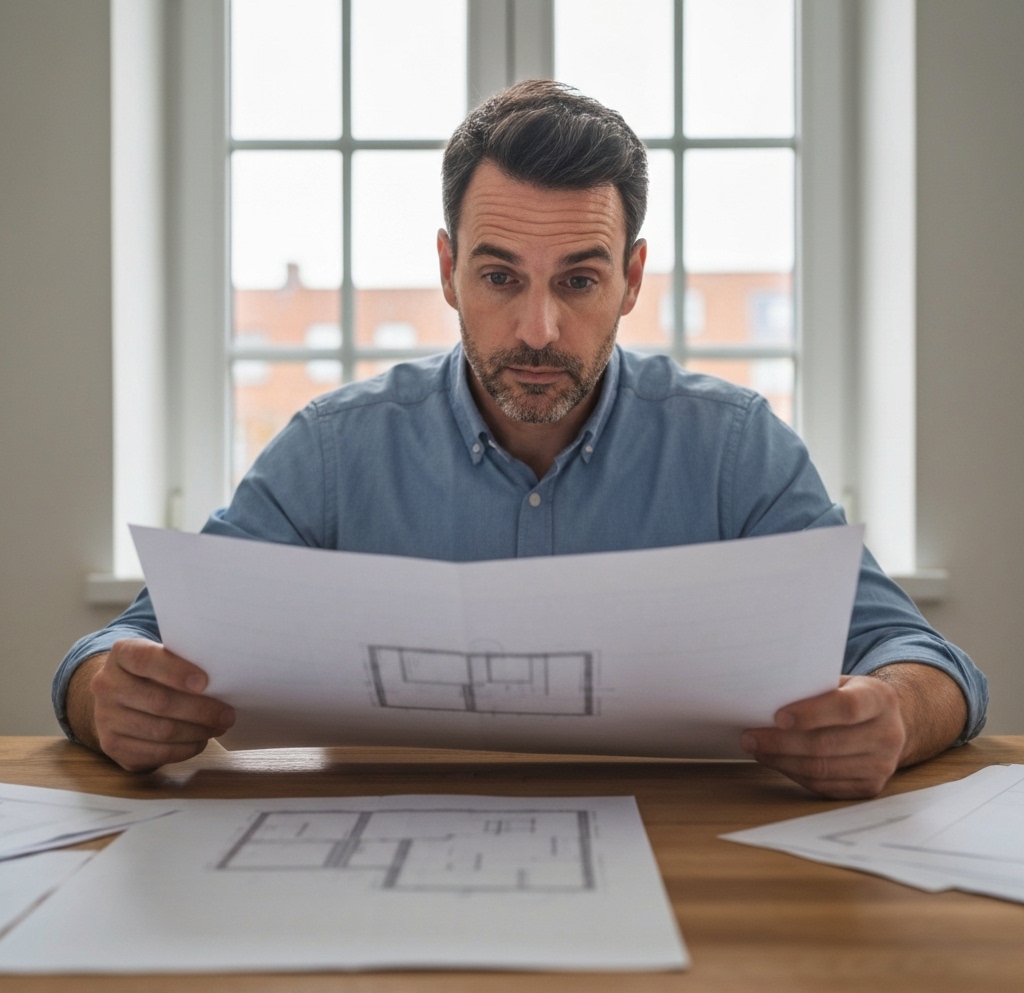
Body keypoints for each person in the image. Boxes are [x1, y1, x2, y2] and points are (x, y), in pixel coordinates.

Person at [56, 81, 986, 797]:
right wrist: (113, 701)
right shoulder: (335, 449)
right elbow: (119, 650)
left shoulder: (735, 446)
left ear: (629, 279)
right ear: (448, 270)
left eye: (577, 281)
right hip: (380, 855)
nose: (537, 328)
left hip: (692, 861)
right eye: (500, 276)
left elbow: (924, 658)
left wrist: (893, 714)